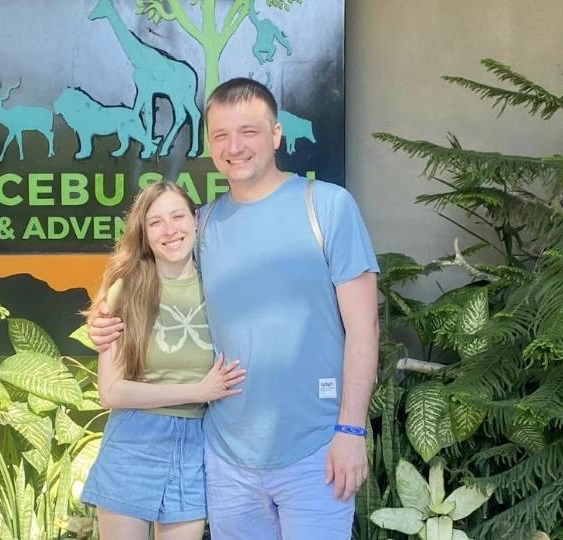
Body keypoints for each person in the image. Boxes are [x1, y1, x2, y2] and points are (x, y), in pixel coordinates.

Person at [88, 77, 380, 540]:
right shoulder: (201, 225)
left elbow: (364, 330)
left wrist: (352, 430)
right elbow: (150, 279)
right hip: (226, 462)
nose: (235, 146)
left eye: (248, 131)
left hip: (315, 454)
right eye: (221, 135)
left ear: (276, 134)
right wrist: (106, 324)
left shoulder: (326, 207)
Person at [79, 180, 247, 540]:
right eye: (156, 222)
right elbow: (110, 392)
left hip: (196, 446)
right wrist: (199, 391)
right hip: (134, 442)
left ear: (195, 220)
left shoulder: (221, 286)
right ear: (144, 233)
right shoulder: (126, 290)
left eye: (177, 217)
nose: (170, 230)